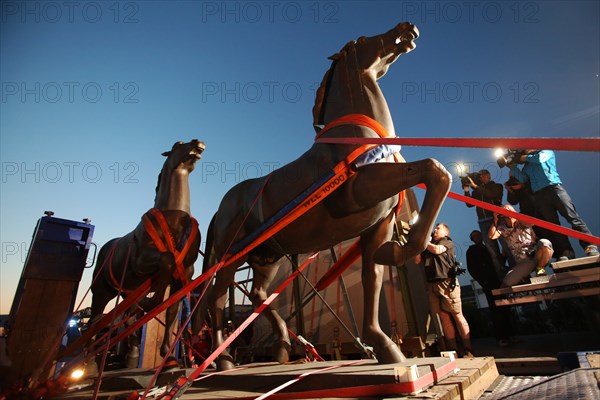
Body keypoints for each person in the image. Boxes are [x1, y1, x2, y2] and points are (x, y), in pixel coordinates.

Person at [507, 149, 598, 260]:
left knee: (572, 217)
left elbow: (540, 159)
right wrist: (512, 166)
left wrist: (522, 158)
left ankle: (589, 246)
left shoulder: (545, 152)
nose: (524, 150)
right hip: (539, 195)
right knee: (553, 225)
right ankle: (566, 251)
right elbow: (523, 179)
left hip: (554, 188)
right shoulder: (527, 166)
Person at [415, 223, 473, 357]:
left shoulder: (447, 241)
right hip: (432, 285)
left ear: (445, 232)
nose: (435, 229)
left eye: (438, 228)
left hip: (447, 283)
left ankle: (468, 348)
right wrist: (418, 246)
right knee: (443, 317)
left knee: (457, 315)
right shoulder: (427, 246)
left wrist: (424, 242)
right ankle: (454, 350)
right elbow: (417, 260)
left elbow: (437, 250)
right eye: (435, 227)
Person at [466, 230, 513, 347]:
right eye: (474, 236)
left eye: (478, 235)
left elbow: (497, 261)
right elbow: (472, 269)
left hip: (499, 279)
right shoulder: (472, 250)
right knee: (495, 308)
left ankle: (509, 335)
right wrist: (483, 281)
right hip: (489, 282)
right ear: (472, 239)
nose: (477, 237)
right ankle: (501, 337)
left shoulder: (488, 248)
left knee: (506, 307)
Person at [489, 204, 554, 287]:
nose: (507, 211)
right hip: (524, 262)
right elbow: (491, 236)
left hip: (537, 255)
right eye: (504, 211)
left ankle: (540, 270)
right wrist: (495, 219)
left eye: (509, 210)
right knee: (506, 283)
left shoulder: (521, 221)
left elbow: (532, 222)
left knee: (544, 243)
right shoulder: (502, 228)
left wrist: (514, 213)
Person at [463, 169, 510, 277]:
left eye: (482, 175)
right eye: (479, 176)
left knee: (506, 246)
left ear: (488, 175)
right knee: (493, 252)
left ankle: (517, 273)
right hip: (483, 222)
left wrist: (475, 186)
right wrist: (466, 189)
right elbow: (469, 204)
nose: (480, 177)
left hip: (497, 219)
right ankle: (502, 277)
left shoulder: (497, 186)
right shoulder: (477, 191)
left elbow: (492, 195)